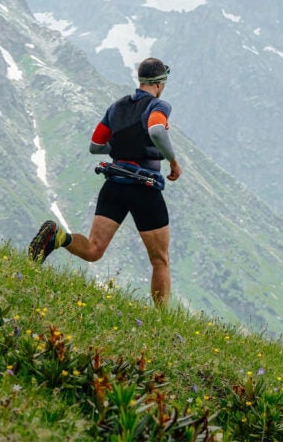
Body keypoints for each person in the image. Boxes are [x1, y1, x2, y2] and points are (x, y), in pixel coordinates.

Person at [28, 57, 182, 306]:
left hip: (114, 185)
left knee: (93, 250)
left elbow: (96, 145)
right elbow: (156, 130)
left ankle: (58, 237)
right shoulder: (159, 106)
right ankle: (162, 320)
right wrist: (173, 161)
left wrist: (123, 149)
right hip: (144, 188)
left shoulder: (117, 107)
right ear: (160, 82)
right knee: (160, 259)